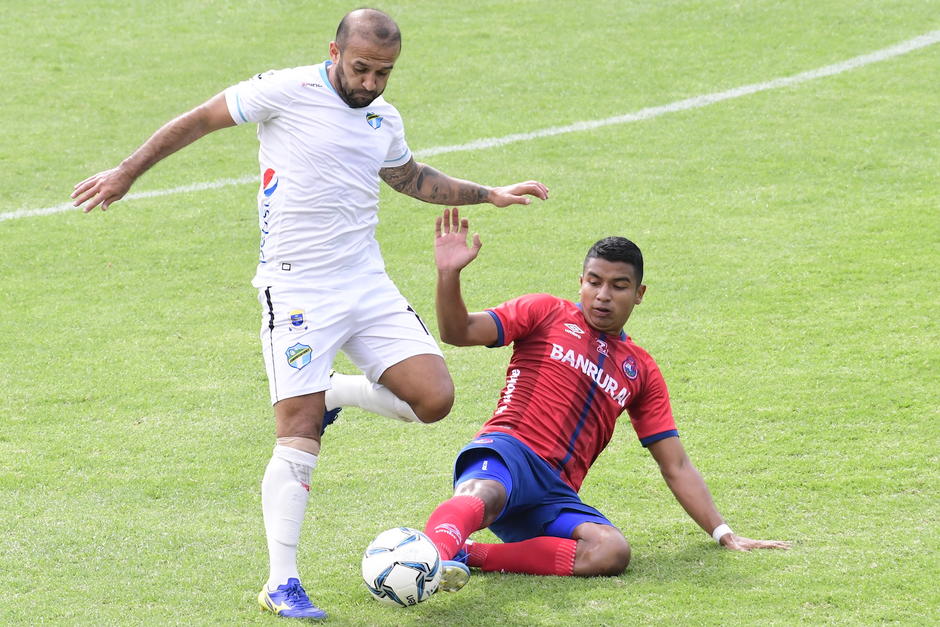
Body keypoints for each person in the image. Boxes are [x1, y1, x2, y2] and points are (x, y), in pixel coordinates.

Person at [71, 9, 548, 620]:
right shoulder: (283, 90)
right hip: (298, 293)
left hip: (367, 285)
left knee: (433, 400)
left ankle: (338, 394)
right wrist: (127, 172)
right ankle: (282, 581)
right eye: (361, 68)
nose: (372, 82)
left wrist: (488, 193)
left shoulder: (383, 117)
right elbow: (197, 121)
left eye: (384, 72)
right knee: (296, 435)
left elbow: (408, 176)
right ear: (334, 51)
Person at [425, 208, 789, 592]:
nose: (602, 296)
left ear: (639, 294)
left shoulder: (641, 369)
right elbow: (458, 330)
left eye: (618, 286)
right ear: (580, 281)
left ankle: (468, 556)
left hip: (555, 492)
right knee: (485, 494)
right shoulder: (545, 312)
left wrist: (723, 532)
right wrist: (449, 274)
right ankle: (429, 555)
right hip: (509, 452)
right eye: (594, 282)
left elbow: (676, 464)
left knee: (611, 551)